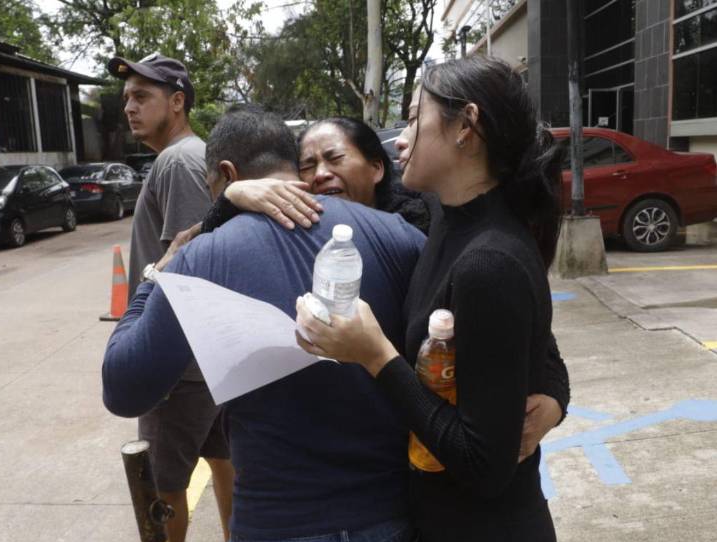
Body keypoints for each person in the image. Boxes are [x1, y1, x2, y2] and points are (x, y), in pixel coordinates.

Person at [103, 105, 427, 542]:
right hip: (392, 533)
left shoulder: (202, 258)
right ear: (293, 164)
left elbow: (123, 387)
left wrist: (156, 275)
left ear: (228, 176)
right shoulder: (397, 235)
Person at [296, 55, 563, 542]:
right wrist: (238, 195)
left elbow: (484, 467)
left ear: (466, 128)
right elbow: (540, 347)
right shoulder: (445, 214)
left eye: (416, 119)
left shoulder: (488, 262)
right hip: (443, 536)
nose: (401, 138)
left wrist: (377, 357)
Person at [194, 115, 569, 460]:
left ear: (376, 168)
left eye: (334, 157)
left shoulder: (426, 230)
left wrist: (554, 396)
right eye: (307, 165)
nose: (321, 174)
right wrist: (231, 199)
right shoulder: (296, 237)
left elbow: (528, 331)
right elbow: (201, 266)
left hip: (442, 453)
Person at [106, 52, 232, 542]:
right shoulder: (187, 158)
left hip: (177, 365)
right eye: (126, 97)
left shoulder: (178, 162)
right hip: (201, 359)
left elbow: (187, 268)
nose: (129, 107)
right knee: (224, 463)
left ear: (177, 102)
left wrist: (150, 357)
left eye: (142, 96)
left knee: (160, 487)